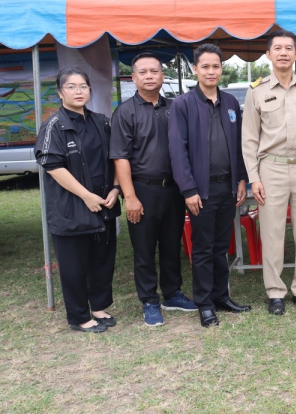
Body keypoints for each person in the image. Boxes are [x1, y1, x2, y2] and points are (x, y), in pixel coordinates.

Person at [242, 29, 296, 315]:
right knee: (272, 233)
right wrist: (254, 177)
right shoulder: (257, 90)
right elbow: (249, 138)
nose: (283, 52)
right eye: (277, 48)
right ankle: (275, 292)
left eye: (288, 48)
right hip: (271, 168)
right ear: (268, 54)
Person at [168, 44, 251, 328]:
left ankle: (221, 297)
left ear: (221, 69)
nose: (211, 71)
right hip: (200, 191)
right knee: (203, 249)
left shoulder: (230, 103)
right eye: (205, 66)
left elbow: (238, 145)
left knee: (221, 247)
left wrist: (241, 178)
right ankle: (204, 304)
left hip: (228, 188)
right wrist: (189, 190)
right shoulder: (183, 105)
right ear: (195, 69)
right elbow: (177, 151)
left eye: (216, 66)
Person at [110, 52, 196, 327]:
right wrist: (130, 197)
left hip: (174, 189)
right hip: (142, 190)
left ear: (162, 75)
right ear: (133, 77)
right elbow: (120, 158)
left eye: (154, 71)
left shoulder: (175, 108)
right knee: (144, 249)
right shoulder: (125, 112)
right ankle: (149, 300)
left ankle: (172, 293)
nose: (149, 76)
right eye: (143, 72)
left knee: (171, 244)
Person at [35, 67, 121, 333]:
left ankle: (99, 307)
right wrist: (85, 195)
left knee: (102, 259)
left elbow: (115, 158)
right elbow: (52, 166)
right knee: (74, 266)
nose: (78, 91)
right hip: (71, 207)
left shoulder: (101, 122)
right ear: (60, 93)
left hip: (104, 203)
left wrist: (116, 188)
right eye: (71, 87)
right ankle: (79, 317)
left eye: (83, 86)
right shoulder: (54, 126)